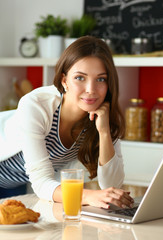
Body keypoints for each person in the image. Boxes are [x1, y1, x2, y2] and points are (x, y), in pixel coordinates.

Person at [0, 36, 133, 209]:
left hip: (15, 184)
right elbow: (41, 182)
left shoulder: (102, 116)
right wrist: (89, 196)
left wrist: (105, 132)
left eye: (100, 79)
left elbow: (111, 184)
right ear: (64, 80)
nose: (91, 90)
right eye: (80, 78)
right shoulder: (36, 105)